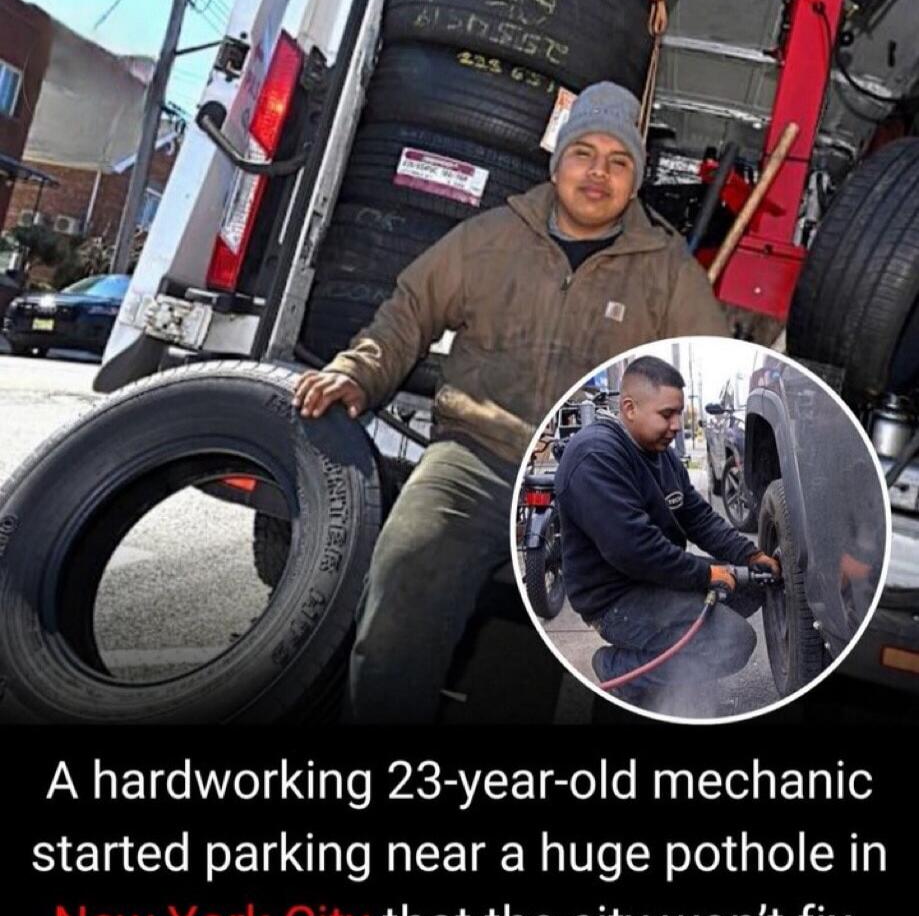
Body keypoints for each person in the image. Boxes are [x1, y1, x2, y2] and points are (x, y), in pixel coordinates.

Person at [293, 81, 730, 723]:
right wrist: (357, 372)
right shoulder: (491, 237)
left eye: (618, 162)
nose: (598, 173)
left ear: (634, 183)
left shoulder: (667, 272)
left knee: (660, 640)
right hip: (476, 458)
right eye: (584, 154)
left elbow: (711, 376)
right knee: (405, 577)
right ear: (558, 165)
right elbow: (409, 313)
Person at [554, 355, 781, 715]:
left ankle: (675, 656)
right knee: (733, 642)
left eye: (678, 413)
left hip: (654, 578)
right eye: (667, 414)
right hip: (615, 598)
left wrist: (748, 555)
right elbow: (635, 550)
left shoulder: (661, 455)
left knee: (753, 584)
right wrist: (706, 574)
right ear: (629, 408)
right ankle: (619, 670)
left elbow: (697, 517)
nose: (677, 425)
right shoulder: (596, 456)